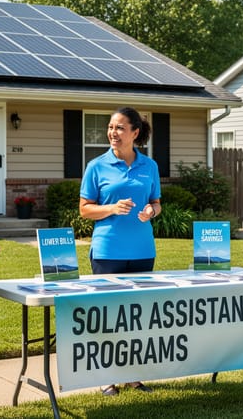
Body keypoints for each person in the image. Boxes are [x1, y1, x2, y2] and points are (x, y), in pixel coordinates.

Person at [79, 106, 161, 397]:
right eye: (111, 127)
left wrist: (152, 210)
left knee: (136, 315)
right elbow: (85, 209)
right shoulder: (96, 166)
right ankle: (106, 377)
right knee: (107, 315)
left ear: (135, 133)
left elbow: (156, 202)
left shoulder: (149, 166)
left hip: (142, 250)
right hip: (107, 251)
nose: (113, 133)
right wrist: (112, 208)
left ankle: (133, 376)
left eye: (120, 128)